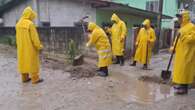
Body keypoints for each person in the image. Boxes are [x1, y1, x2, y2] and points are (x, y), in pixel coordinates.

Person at [16, 6, 43, 84]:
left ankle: (24, 78)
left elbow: (17, 37)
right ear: (30, 15)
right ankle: (35, 79)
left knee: (23, 62)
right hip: (30, 48)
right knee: (33, 63)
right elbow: (34, 38)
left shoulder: (18, 24)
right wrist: (39, 46)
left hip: (21, 47)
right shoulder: (30, 24)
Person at [171, 10, 195, 95]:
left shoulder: (191, 26)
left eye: (180, 17)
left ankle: (184, 88)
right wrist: (173, 47)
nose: (178, 19)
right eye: (178, 17)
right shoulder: (181, 28)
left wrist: (184, 36)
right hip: (180, 52)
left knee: (185, 70)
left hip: (187, 52)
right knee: (180, 70)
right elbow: (177, 39)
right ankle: (180, 84)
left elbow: (193, 38)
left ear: (185, 17)